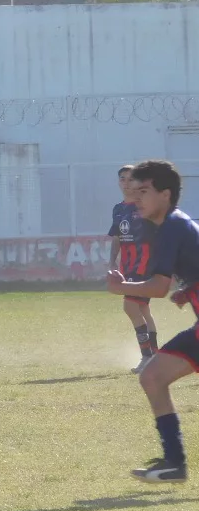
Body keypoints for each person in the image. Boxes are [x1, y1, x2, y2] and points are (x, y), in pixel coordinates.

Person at [108, 160, 199, 483]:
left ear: (165, 194)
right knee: (152, 377)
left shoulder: (173, 225)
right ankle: (174, 463)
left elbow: (159, 287)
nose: (135, 199)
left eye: (143, 191)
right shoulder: (170, 225)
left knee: (153, 377)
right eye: (134, 192)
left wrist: (121, 286)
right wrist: (188, 291)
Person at [108, 164, 158, 373]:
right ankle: (154, 357)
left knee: (130, 307)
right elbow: (117, 238)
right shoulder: (118, 209)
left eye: (131, 179)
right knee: (143, 310)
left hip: (144, 265)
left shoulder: (145, 206)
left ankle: (147, 357)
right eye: (123, 179)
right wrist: (112, 262)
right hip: (127, 267)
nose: (126, 183)